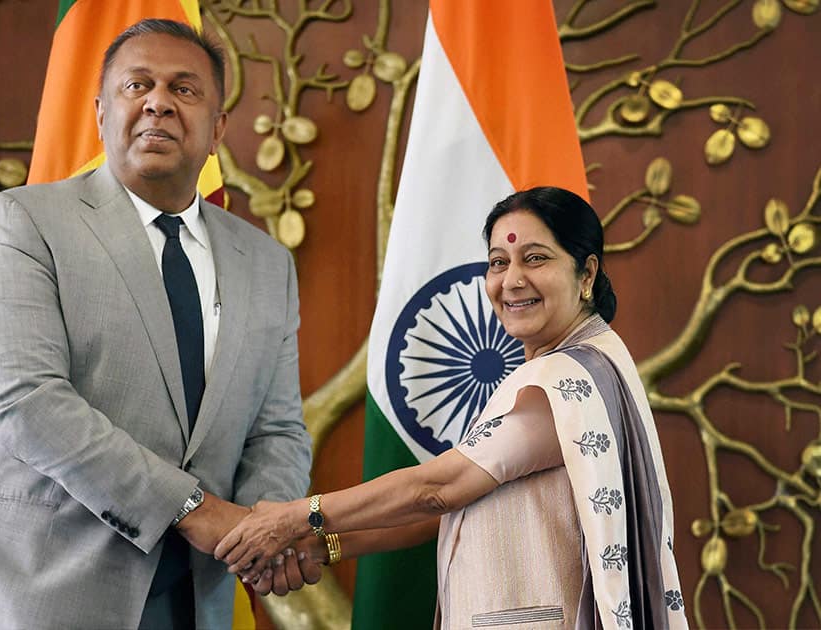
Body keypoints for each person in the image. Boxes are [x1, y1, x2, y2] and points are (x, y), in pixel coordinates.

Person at [0, 19, 316, 630]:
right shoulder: (21, 223)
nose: (159, 100)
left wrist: (268, 526)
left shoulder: (267, 262)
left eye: (185, 89)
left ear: (218, 131)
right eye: (138, 85)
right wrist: (195, 510)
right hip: (35, 588)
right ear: (101, 114)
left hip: (195, 594)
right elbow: (25, 400)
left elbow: (277, 427)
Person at [216, 187, 688, 629]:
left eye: (536, 259)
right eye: (498, 262)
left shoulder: (565, 380)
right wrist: (325, 544)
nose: (512, 280)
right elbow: (445, 509)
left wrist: (295, 517)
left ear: (586, 274)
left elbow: (438, 488)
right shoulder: (585, 363)